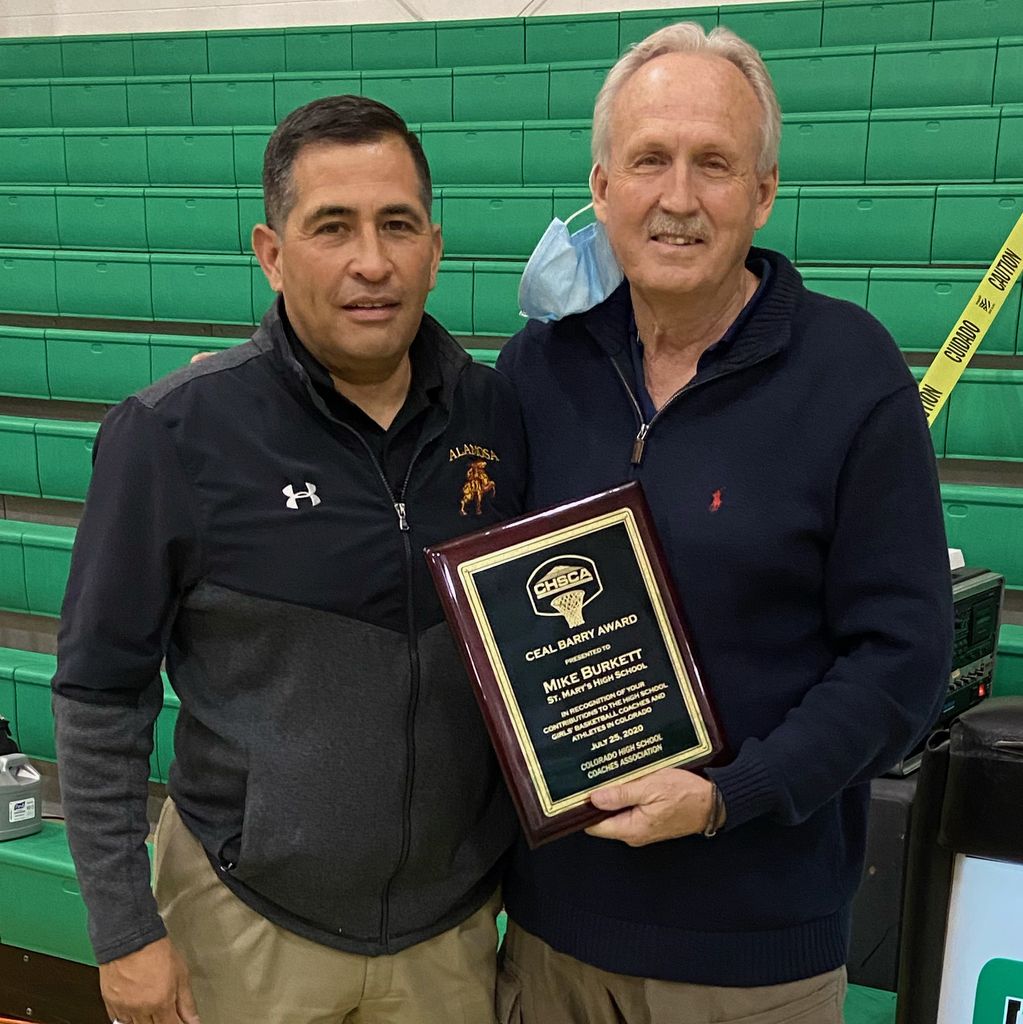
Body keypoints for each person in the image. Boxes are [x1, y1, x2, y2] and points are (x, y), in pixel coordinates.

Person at [496, 23, 952, 1024]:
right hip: (549, 935)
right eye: (650, 160)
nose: (678, 197)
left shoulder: (851, 374)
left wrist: (726, 796)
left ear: (764, 191)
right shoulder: (539, 369)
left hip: (753, 960)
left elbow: (902, 661)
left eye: (714, 164)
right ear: (603, 186)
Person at [52, 95, 526, 1024]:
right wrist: (124, 931)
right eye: (331, 227)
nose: (371, 262)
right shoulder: (173, 435)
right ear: (272, 252)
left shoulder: (499, 417)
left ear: (435, 246)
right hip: (243, 925)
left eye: (396, 226)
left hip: (450, 936)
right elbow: (100, 696)